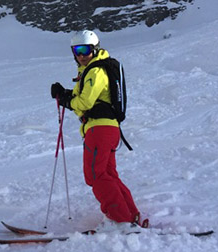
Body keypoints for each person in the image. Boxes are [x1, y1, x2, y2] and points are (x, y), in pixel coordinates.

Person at [50, 30, 148, 228]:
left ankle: (121, 220)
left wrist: (67, 100)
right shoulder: (91, 71)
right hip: (107, 129)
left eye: (86, 50)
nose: (81, 55)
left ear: (94, 49)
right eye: (77, 50)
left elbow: (84, 102)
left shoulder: (95, 71)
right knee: (108, 174)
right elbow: (89, 97)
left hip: (99, 129)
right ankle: (130, 215)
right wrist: (65, 94)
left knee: (96, 175)